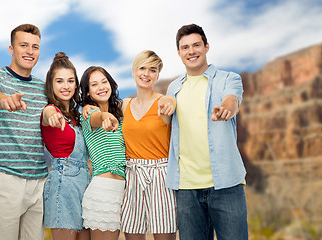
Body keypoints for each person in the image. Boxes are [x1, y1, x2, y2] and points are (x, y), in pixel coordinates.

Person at [165, 23, 248, 240]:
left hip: (226, 185)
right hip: (186, 189)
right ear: (179, 53)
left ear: (206, 46)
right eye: (185, 47)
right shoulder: (174, 88)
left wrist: (227, 109)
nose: (191, 51)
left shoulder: (229, 79)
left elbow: (232, 100)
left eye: (196, 45)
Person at [0, 23, 47, 240]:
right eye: (23, 45)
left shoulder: (44, 88)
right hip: (5, 179)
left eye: (34, 46)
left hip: (39, 182)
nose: (29, 51)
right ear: (11, 48)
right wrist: (4, 100)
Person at [120, 50, 177, 240]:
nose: (146, 74)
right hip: (133, 175)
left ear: (157, 75)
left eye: (152, 70)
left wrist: (171, 101)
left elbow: (171, 101)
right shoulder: (125, 105)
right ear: (133, 71)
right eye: (142, 68)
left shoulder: (164, 103)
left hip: (160, 175)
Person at [41, 52, 91, 240]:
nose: (66, 86)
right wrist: (50, 114)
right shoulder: (50, 110)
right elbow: (47, 114)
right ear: (51, 85)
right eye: (60, 81)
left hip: (85, 186)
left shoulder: (77, 117)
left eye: (70, 81)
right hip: (63, 186)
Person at [79, 66, 126, 240]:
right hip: (104, 193)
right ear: (88, 92)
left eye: (104, 82)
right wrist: (107, 118)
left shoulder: (120, 115)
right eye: (94, 84)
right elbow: (100, 118)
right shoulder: (89, 114)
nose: (101, 87)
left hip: (123, 192)